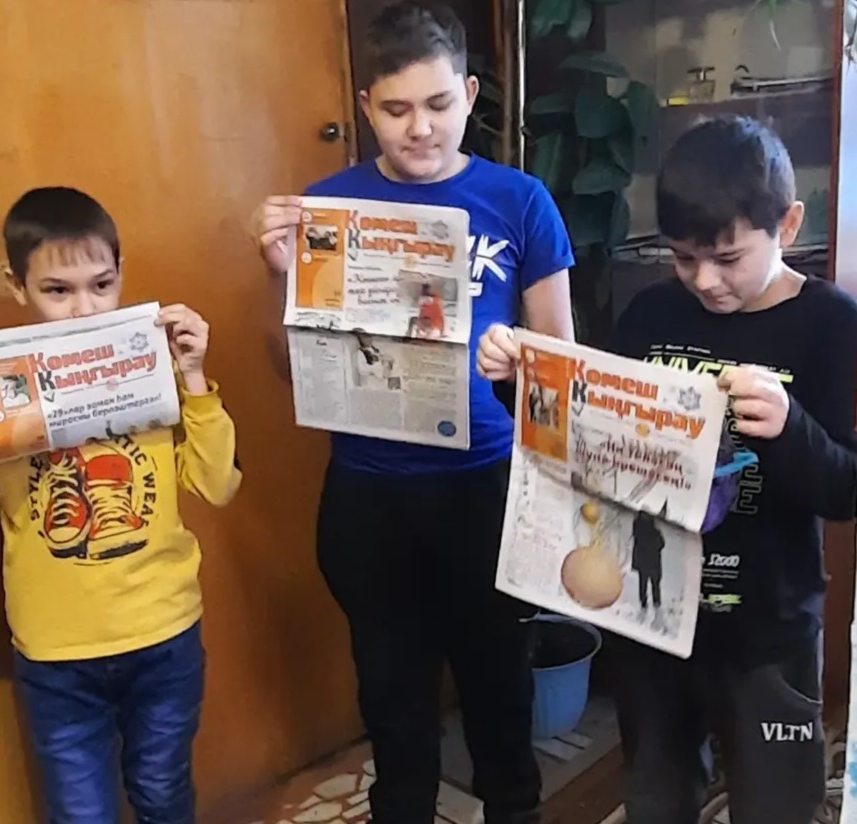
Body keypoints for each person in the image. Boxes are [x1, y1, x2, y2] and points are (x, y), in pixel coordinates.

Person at [477, 115, 857, 824]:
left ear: (787, 223)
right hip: (649, 622)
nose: (705, 280)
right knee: (655, 797)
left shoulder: (831, 323)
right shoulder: (653, 313)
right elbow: (590, 440)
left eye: (728, 257)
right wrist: (516, 381)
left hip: (766, 630)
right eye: (684, 258)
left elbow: (844, 489)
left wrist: (789, 427)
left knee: (775, 803)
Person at [251, 3, 574, 822]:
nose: (419, 128)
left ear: (468, 95)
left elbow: (561, 367)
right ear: (367, 107)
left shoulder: (520, 200)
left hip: (484, 486)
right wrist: (279, 276)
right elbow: (292, 372)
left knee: (500, 696)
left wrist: (518, 360)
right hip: (369, 493)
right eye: (396, 109)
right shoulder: (328, 206)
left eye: (437, 104)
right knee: (393, 706)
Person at [0, 186, 242, 824]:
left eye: (102, 285)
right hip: (56, 650)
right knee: (79, 812)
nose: (83, 309)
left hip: (164, 630)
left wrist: (195, 378)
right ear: (17, 285)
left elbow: (217, 484)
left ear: (122, 276)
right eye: (57, 291)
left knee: (163, 792)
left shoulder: (156, 368)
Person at [631, 510, 664, 610]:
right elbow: (661, 544)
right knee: (655, 582)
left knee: (643, 582)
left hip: (642, 561)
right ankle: (656, 601)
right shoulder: (654, 531)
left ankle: (643, 601)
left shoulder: (638, 528)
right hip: (653, 561)